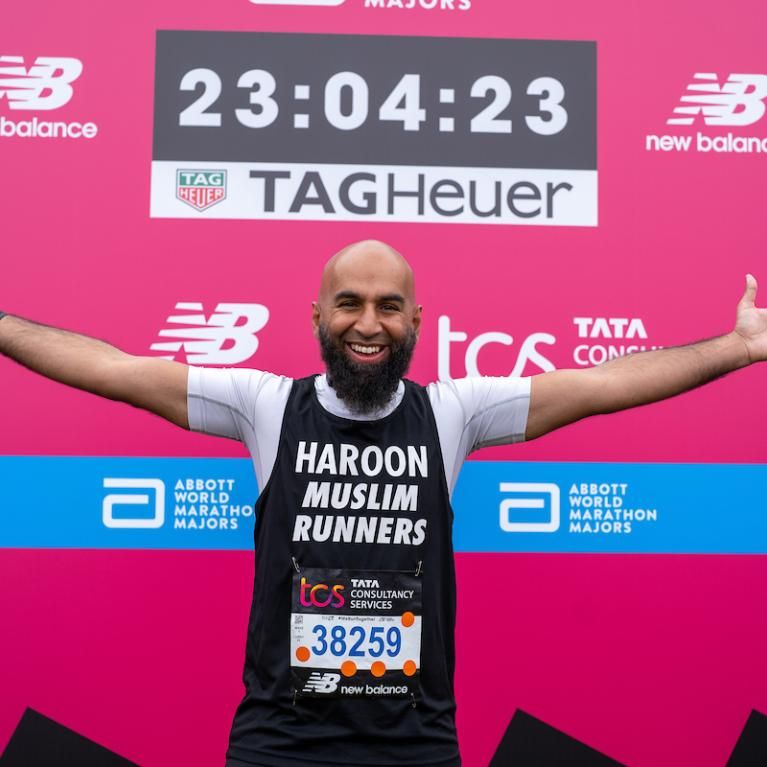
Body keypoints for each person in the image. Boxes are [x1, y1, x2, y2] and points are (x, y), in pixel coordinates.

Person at [0, 240, 764, 767]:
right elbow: (113, 369)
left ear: (416, 322)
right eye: (349, 303)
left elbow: (600, 387)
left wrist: (732, 349)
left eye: (389, 305)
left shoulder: (454, 412)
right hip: (279, 743)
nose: (368, 323)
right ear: (316, 316)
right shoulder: (264, 405)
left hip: (415, 743)